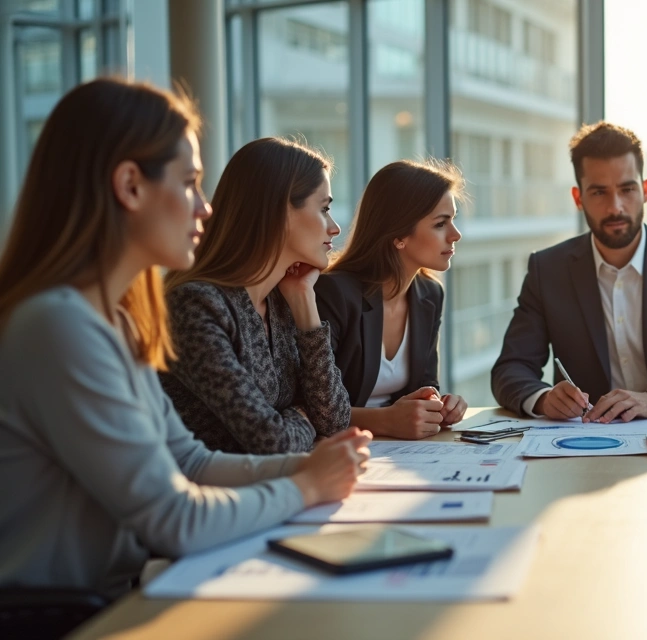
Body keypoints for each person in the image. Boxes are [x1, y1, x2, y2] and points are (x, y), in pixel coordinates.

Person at [0, 79, 371, 597]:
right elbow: (175, 517)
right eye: (190, 183)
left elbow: (190, 462)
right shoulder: (57, 327)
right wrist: (306, 484)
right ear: (130, 186)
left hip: (118, 597)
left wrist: (311, 463)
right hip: (57, 616)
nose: (205, 208)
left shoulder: (116, 321)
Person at [491, 122, 647, 422]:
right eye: (599, 192)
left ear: (646, 190)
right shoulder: (547, 271)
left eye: (627, 189)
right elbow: (511, 368)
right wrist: (543, 399)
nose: (615, 207)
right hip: (584, 442)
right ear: (578, 198)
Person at [160, 137, 352, 454]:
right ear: (279, 212)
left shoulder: (281, 301)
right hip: (210, 495)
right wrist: (304, 417)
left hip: (274, 489)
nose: (335, 228)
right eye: (324, 209)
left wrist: (305, 304)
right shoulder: (196, 306)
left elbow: (334, 422)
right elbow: (270, 442)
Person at [315, 160, 468, 440]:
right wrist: (384, 421)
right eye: (440, 223)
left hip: (401, 450)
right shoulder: (334, 293)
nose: (455, 234)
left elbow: (424, 386)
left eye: (453, 220)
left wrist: (439, 406)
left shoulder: (429, 295)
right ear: (399, 235)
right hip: (339, 450)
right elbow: (315, 406)